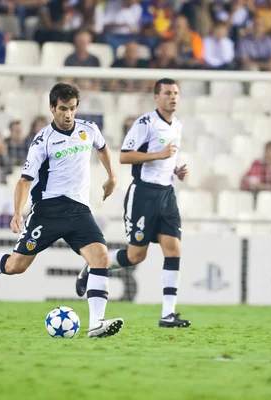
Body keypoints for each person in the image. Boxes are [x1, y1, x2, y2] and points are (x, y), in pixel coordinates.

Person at [0, 83, 124, 339]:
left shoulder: (89, 130)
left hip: (79, 211)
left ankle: (96, 324)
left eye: (73, 109)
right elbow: (24, 181)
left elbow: (102, 148)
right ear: (52, 108)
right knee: (16, 266)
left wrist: (112, 177)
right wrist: (17, 213)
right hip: (48, 211)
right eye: (63, 109)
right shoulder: (42, 141)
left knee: (101, 258)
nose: (68, 115)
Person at [74, 78, 191, 329]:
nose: (173, 97)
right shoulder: (145, 123)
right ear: (156, 97)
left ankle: (167, 314)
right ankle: (92, 266)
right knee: (136, 255)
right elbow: (125, 155)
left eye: (176, 93)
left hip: (167, 194)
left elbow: (165, 164)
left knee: (174, 248)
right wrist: (158, 155)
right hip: (143, 195)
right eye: (168, 93)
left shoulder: (177, 126)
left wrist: (175, 171)